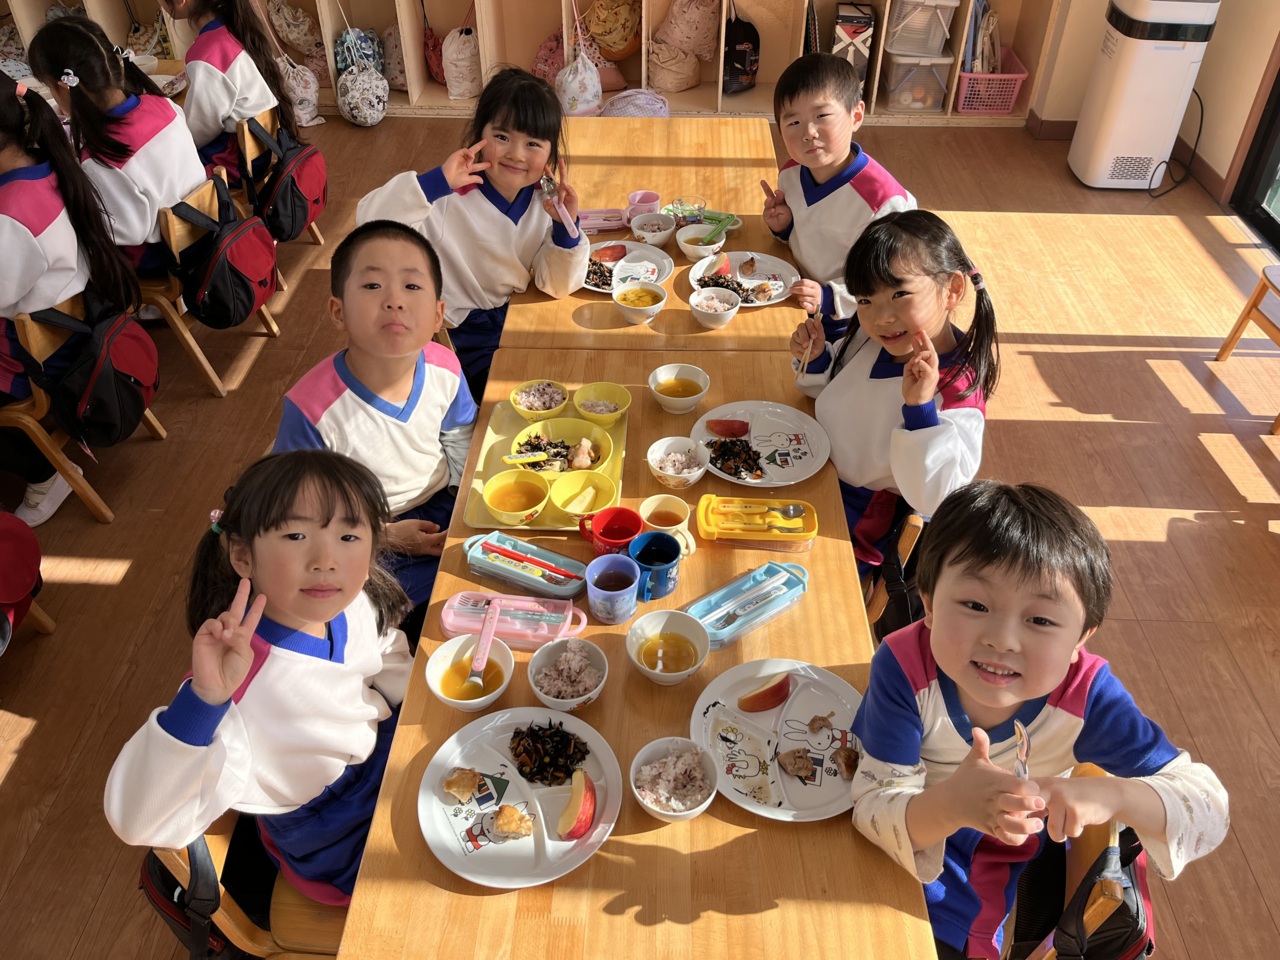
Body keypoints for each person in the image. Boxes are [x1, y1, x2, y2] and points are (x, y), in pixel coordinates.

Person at [851, 481, 1229, 960]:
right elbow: (871, 804)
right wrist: (953, 803)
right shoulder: (904, 665)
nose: (1002, 640)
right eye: (975, 606)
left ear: (1080, 639)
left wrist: (1113, 795)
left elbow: (1208, 807)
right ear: (928, 602)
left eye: (1041, 621)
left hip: (964, 892)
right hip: (880, 837)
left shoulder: (1086, 697)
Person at [104, 450, 413, 905]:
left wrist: (412, 704)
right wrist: (204, 701)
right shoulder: (236, 685)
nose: (326, 559)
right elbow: (140, 822)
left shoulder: (353, 600)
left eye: (349, 535)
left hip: (379, 755)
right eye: (296, 535)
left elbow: (386, 649)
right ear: (243, 556)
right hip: (335, 832)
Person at [272, 221, 476, 645]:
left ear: (438, 314)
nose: (394, 301)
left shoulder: (444, 365)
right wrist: (383, 535)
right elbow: (293, 516)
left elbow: (459, 437)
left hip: (444, 507)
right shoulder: (310, 409)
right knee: (394, 635)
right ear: (338, 311)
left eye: (412, 287)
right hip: (362, 537)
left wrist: (464, 510)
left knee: (490, 588)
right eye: (372, 286)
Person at [356, 67, 588, 402]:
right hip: (460, 342)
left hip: (513, 321)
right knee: (524, 402)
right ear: (479, 134)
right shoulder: (448, 196)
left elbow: (556, 284)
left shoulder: (544, 202)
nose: (516, 154)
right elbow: (368, 224)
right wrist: (433, 184)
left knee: (576, 372)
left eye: (532, 143)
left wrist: (566, 225)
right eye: (502, 137)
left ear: (551, 154)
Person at [790, 209, 996, 571]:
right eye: (865, 300)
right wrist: (819, 357)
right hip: (811, 466)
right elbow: (840, 392)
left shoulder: (954, 389)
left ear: (952, 290)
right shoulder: (879, 338)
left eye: (900, 293)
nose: (881, 317)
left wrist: (920, 410)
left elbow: (939, 497)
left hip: (852, 522)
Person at [0, 74, 140, 526]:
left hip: (50, 357)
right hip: (82, 323)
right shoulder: (48, 164)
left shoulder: (12, 215)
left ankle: (45, 477)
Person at [28, 17, 206, 275]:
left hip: (167, 256)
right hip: (205, 225)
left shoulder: (101, 156)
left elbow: (128, 232)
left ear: (62, 87)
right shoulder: (162, 104)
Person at [764, 52, 915, 341]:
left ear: (856, 116)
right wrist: (785, 227)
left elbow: (894, 284)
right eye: (793, 122)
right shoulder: (791, 173)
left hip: (855, 322)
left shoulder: (884, 203)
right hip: (799, 295)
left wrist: (830, 297)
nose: (808, 132)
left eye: (822, 116)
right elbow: (811, 231)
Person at [158, 0, 297, 183]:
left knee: (162, 165)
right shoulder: (236, 28)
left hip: (233, 165)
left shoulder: (205, 54)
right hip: (260, 152)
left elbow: (196, 134)